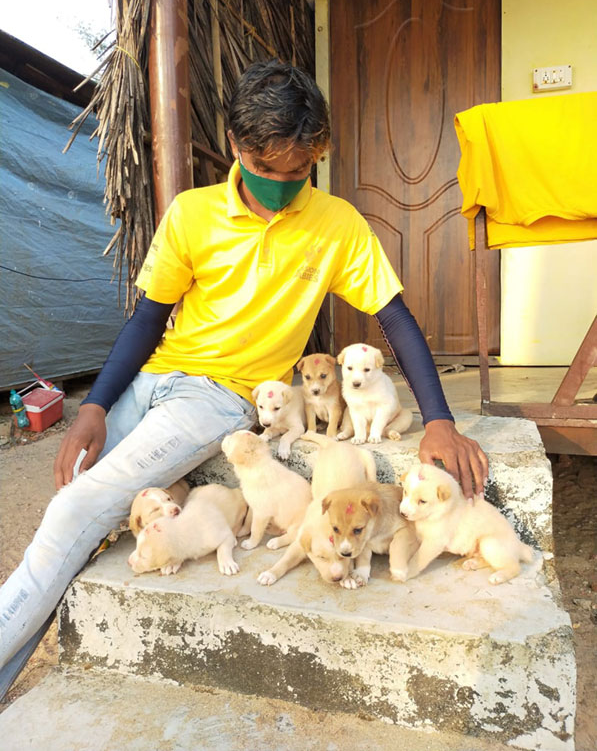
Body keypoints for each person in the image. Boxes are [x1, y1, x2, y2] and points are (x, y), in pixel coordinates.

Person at [0, 60, 488, 697]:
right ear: (237, 147)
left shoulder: (336, 224)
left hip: (218, 399)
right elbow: (149, 319)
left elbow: (393, 316)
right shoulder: (191, 214)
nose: (287, 184)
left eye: (301, 171)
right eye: (272, 170)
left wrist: (441, 421)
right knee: (73, 514)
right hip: (156, 378)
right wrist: (96, 403)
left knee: (75, 510)